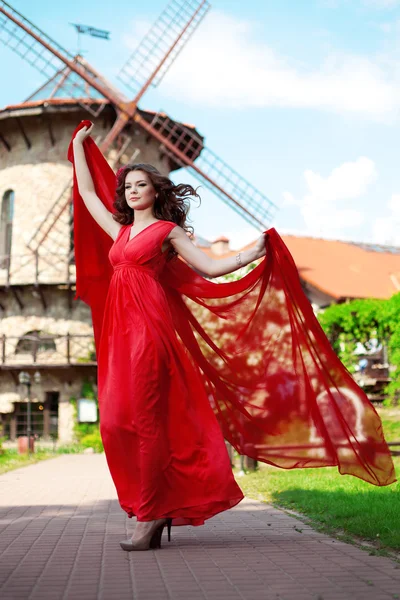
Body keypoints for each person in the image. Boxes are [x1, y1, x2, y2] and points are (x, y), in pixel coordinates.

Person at [70, 121, 396, 552]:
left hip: (149, 331)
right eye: (128, 185)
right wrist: (77, 145)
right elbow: (89, 195)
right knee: (114, 424)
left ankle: (149, 516)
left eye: (140, 184)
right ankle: (154, 505)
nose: (132, 191)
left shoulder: (166, 233)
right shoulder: (121, 231)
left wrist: (253, 250)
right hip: (118, 333)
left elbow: (209, 268)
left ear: (156, 191)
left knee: (146, 424)